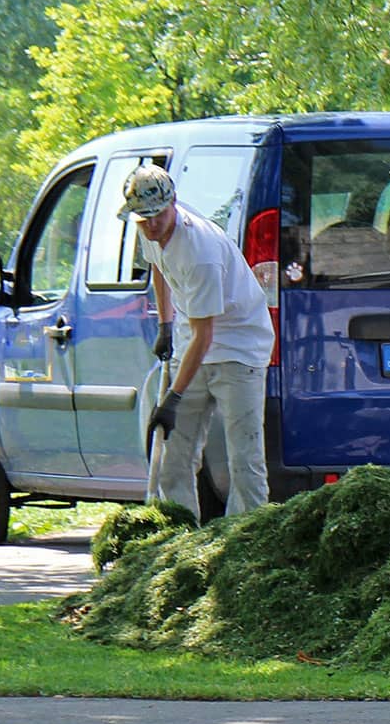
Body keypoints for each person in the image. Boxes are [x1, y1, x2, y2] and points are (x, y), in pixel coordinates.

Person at [117, 163, 275, 522]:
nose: (150, 224)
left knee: (244, 458)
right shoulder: (148, 227)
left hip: (238, 346)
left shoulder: (199, 251)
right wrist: (165, 323)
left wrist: (173, 397)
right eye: (142, 219)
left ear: (173, 204)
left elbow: (208, 335)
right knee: (173, 456)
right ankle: (177, 537)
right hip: (193, 341)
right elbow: (158, 268)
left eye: (156, 216)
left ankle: (247, 542)